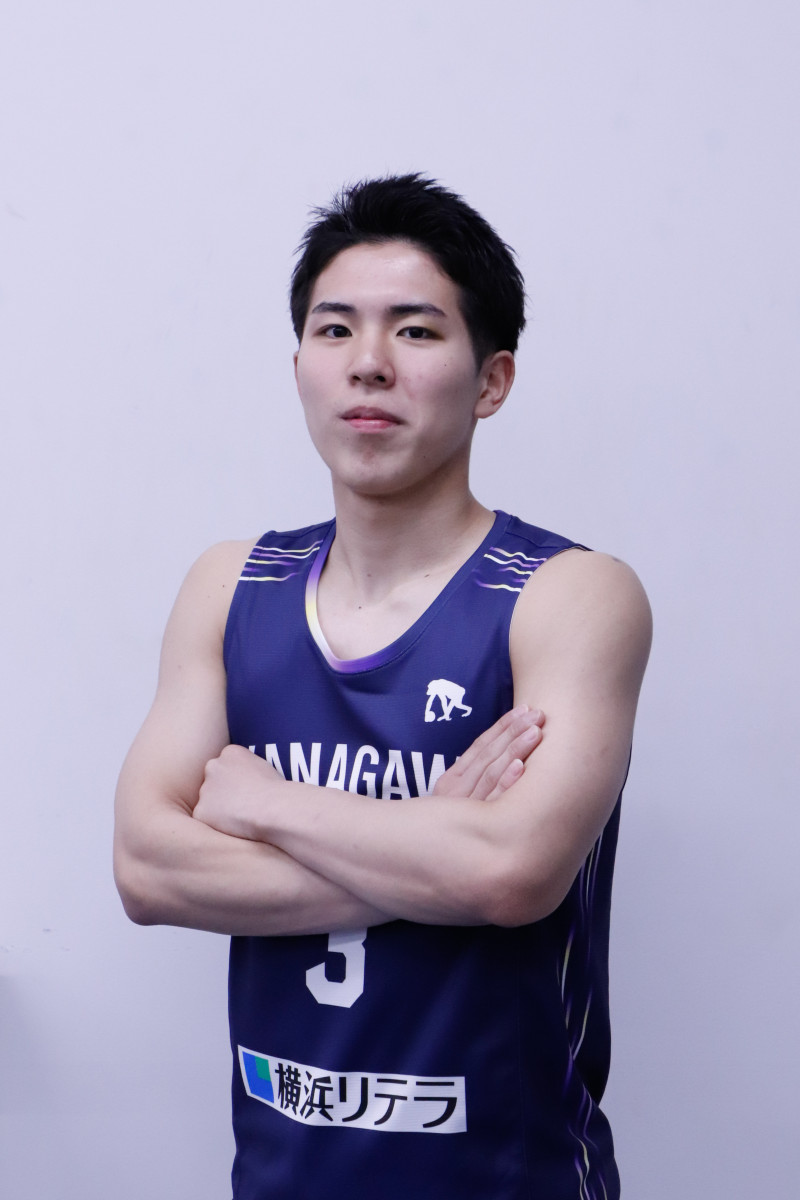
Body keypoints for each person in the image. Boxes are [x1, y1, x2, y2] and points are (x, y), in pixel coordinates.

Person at [114, 174, 652, 1200]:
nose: (368, 362)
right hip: (281, 1176)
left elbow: (510, 874)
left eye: (415, 330)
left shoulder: (568, 594)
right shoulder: (231, 585)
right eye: (334, 330)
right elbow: (146, 870)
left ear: (491, 379)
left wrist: (267, 806)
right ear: (299, 367)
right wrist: (432, 840)